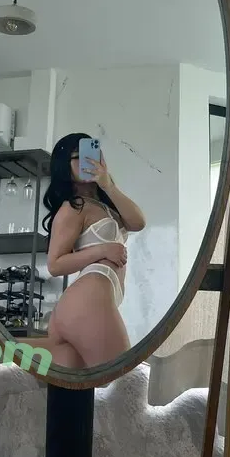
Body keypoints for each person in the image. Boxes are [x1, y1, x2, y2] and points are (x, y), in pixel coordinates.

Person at [38, 132, 146, 369]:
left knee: (75, 380)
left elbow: (138, 222)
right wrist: (102, 250)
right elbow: (55, 264)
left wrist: (107, 184)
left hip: (92, 301)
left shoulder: (104, 206)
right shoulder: (73, 207)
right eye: (78, 156)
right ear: (64, 166)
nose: (88, 160)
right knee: (123, 380)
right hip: (87, 300)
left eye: (93, 154)